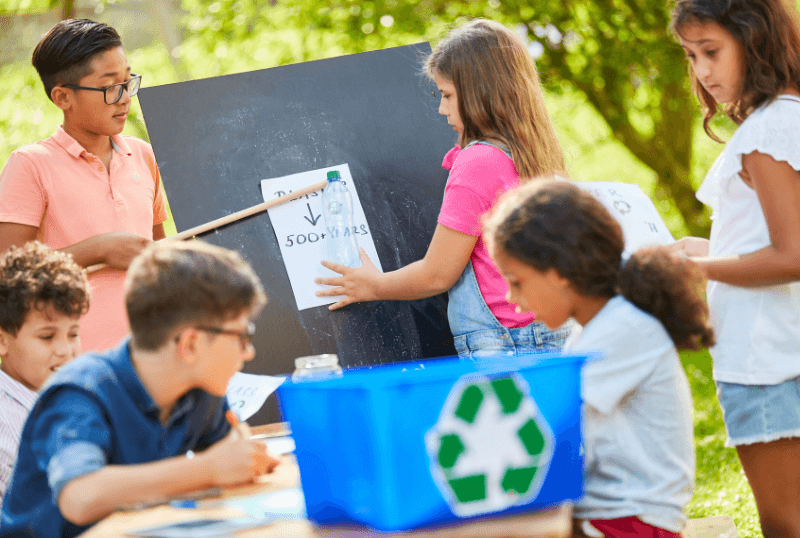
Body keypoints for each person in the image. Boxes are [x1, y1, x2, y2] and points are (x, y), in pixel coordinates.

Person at [315, 19, 574, 358]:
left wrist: (371, 284)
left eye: (449, 95)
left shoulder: (479, 162)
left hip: (507, 346)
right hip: (550, 335)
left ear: (482, 92)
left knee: (494, 414)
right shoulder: (533, 154)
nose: (441, 108)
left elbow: (438, 274)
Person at [0, 241, 279, 538]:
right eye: (242, 336)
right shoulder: (81, 392)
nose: (247, 352)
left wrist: (242, 457)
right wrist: (207, 469)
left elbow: (229, 454)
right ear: (191, 344)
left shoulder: (200, 388)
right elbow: (79, 497)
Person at [484, 180, 715, 538]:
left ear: (558, 272)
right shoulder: (595, 330)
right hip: (608, 517)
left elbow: (549, 431)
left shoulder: (621, 329)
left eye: (517, 282)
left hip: (629, 524)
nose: (512, 298)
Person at [669, 1, 800, 536]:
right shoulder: (787, 117)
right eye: (690, 56)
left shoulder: (767, 131)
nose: (701, 72)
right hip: (781, 348)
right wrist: (709, 250)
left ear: (755, 39)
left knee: (783, 522)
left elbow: (792, 255)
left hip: (763, 362)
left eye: (712, 52)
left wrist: (701, 271)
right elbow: (767, 239)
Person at [0, 18, 168, 354]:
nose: (124, 98)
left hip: (152, 352)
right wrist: (97, 249)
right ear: (63, 97)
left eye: (128, 81)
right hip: (76, 362)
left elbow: (159, 252)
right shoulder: (30, 164)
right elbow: (6, 273)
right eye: (110, 88)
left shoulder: (143, 155)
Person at [0, 242, 90, 503]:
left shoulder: (72, 392)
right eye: (47, 336)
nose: (66, 350)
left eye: (73, 334)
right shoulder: (6, 422)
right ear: (3, 341)